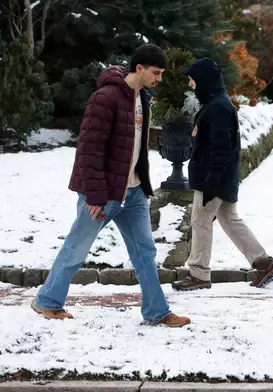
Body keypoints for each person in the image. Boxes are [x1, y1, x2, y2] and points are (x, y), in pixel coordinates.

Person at [31, 44, 190, 328]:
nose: (159, 78)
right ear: (139, 68)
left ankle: (156, 311)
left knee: (145, 252)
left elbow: (135, 147)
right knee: (77, 248)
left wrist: (141, 184)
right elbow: (89, 149)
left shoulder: (143, 97)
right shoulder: (105, 98)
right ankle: (47, 301)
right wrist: (94, 194)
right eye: (156, 72)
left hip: (134, 192)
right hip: (105, 193)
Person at [171, 58, 273, 291]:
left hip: (214, 179)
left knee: (200, 221)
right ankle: (264, 263)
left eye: (192, 80)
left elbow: (221, 149)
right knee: (229, 220)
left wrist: (211, 183)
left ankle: (198, 274)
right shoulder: (215, 104)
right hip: (220, 178)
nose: (190, 85)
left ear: (203, 81)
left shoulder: (218, 107)